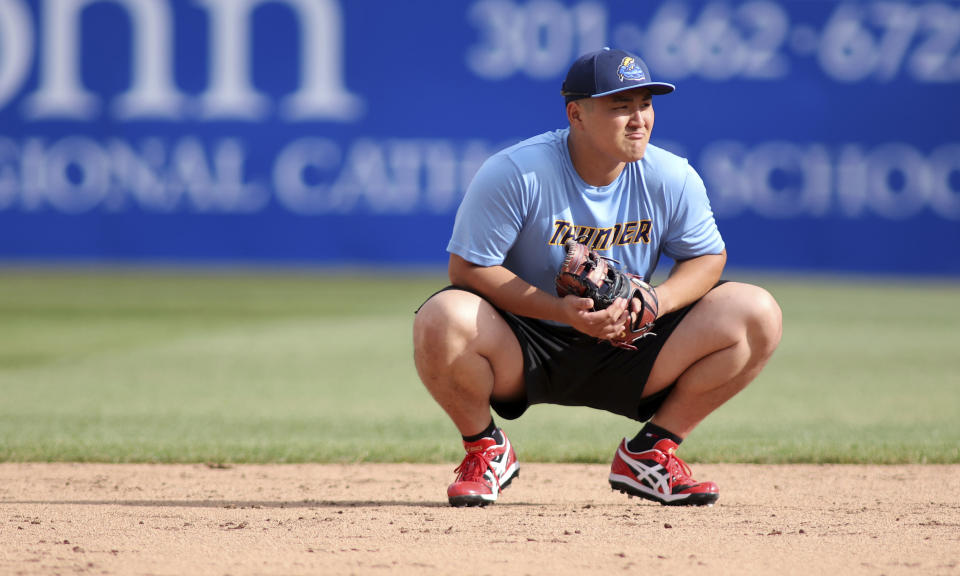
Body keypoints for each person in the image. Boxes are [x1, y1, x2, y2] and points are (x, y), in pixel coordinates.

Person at [413, 47, 782, 507]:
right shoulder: (517, 172)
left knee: (756, 312)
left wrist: (657, 301)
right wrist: (559, 311)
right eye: (619, 106)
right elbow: (466, 268)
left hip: (629, 342)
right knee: (441, 316)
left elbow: (709, 257)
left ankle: (652, 453)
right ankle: (485, 449)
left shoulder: (671, 176)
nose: (638, 119)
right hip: (528, 344)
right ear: (577, 114)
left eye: (645, 104)